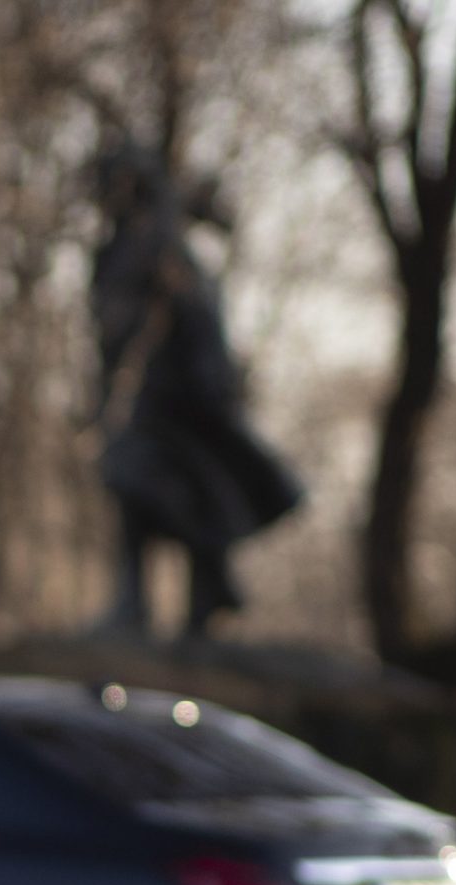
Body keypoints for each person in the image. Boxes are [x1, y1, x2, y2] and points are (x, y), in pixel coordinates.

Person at [87, 141, 302, 640]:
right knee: (153, 487)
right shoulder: (129, 246)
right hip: (157, 394)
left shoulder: (159, 246)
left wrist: (210, 384)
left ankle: (180, 597)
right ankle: (161, 598)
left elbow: (191, 317)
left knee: (157, 484)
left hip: (180, 396)